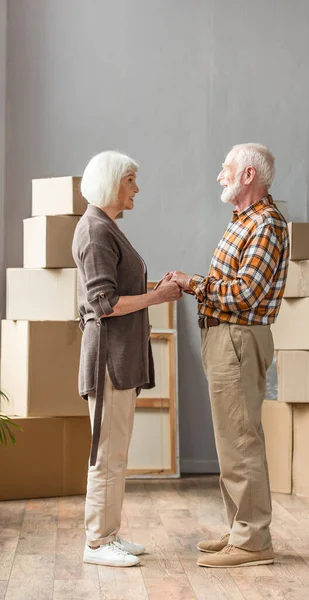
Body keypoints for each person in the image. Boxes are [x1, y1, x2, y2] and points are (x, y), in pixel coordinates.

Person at [170, 143, 289, 568]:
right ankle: (243, 528)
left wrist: (193, 283)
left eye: (226, 168)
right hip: (225, 339)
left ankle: (254, 541)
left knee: (241, 438)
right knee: (231, 439)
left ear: (248, 176)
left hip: (237, 339)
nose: (220, 175)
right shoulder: (244, 221)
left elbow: (246, 292)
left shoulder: (265, 224)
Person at [72, 150, 181, 568]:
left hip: (118, 360)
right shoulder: (96, 230)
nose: (137, 188)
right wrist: (158, 296)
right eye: (131, 180)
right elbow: (103, 303)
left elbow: (114, 292)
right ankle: (97, 543)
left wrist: (159, 287)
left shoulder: (104, 226)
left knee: (116, 452)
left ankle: (108, 535)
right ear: (113, 183)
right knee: (106, 453)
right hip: (108, 362)